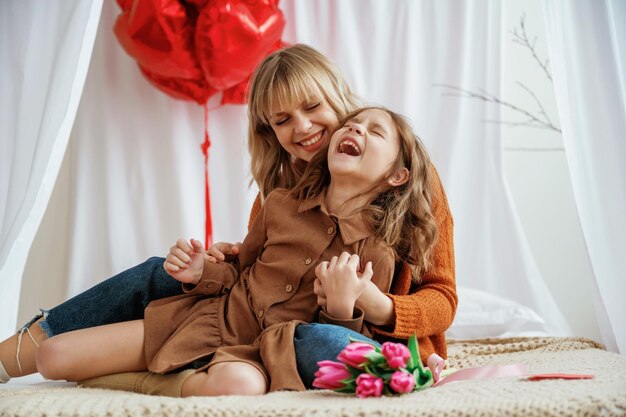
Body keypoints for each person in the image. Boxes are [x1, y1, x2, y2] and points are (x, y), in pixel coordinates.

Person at [0, 44, 456, 391]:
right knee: (157, 274)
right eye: (281, 120)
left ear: (341, 100)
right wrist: (216, 263)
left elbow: (441, 297)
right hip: (237, 318)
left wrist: (372, 302)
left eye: (313, 107)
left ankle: (184, 369)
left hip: (349, 337)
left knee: (323, 346)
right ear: (270, 132)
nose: (301, 128)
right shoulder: (281, 194)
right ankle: (12, 355)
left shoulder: (407, 176)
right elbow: (260, 272)